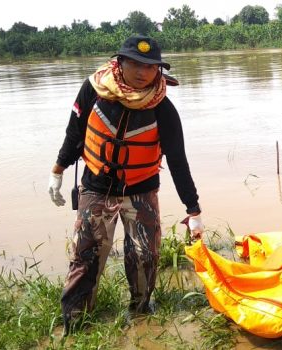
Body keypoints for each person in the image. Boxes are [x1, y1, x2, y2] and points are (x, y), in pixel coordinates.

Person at [48, 34, 205, 334]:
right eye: (136, 63)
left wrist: (193, 209)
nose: (143, 72)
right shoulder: (92, 90)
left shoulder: (163, 108)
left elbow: (178, 161)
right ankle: (76, 321)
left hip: (142, 190)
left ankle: (142, 315)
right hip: (96, 188)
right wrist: (57, 171)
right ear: (120, 62)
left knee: (146, 255)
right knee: (86, 254)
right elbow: (74, 134)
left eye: (151, 66)